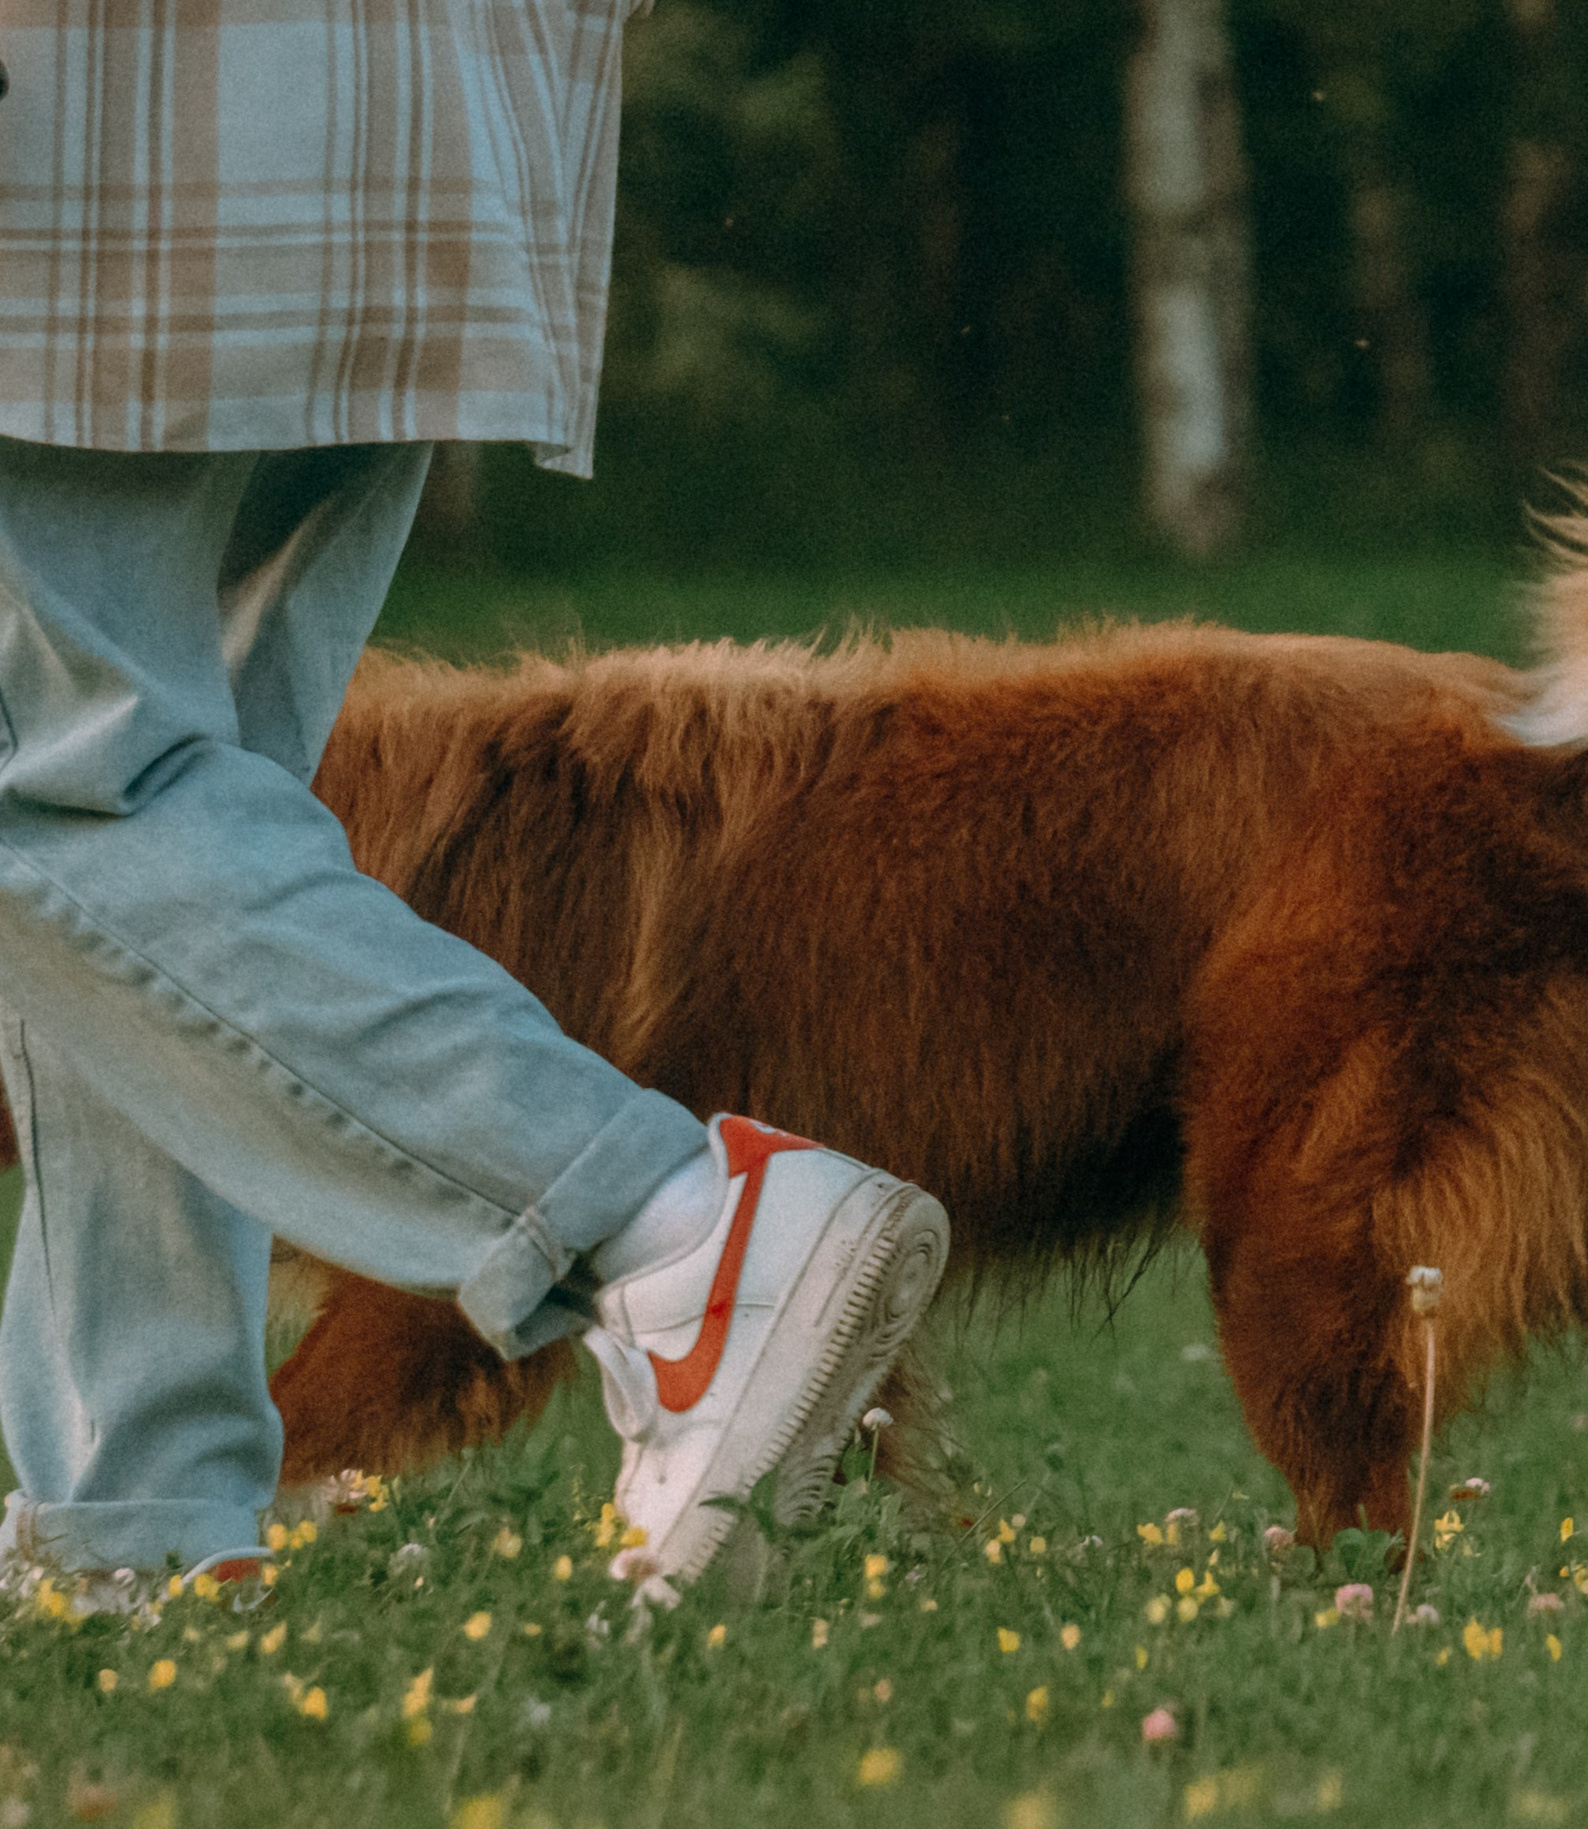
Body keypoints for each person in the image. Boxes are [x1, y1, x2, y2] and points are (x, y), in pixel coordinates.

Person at [0, 2, 946, 1599]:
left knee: (76, 788)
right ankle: (138, 1520)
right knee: (162, 828)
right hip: (421, 121)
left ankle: (687, 1234)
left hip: (110, 121)